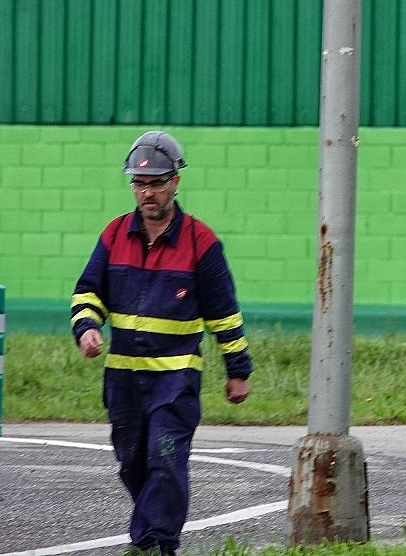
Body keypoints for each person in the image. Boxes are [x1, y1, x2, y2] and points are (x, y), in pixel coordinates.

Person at [71, 130, 252, 556]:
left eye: (156, 183)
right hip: (124, 380)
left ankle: (154, 543)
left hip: (175, 381)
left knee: (165, 460)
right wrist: (87, 328)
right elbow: (88, 291)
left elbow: (224, 313)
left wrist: (238, 371)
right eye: (139, 183)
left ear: (175, 182)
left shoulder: (200, 243)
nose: (147, 192)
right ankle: (155, 536)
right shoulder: (114, 235)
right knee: (132, 462)